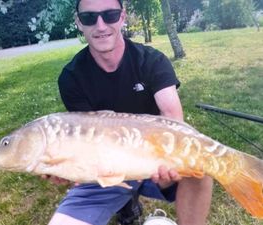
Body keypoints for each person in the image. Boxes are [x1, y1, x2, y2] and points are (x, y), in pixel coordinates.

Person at [47, 0, 213, 224]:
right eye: (89, 18)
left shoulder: (153, 61)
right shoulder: (71, 77)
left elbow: (173, 121)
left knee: (200, 170)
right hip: (104, 165)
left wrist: (167, 167)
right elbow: (85, 141)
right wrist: (68, 167)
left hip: (156, 159)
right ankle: (126, 201)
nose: (101, 25)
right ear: (78, 22)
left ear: (123, 17)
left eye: (110, 15)